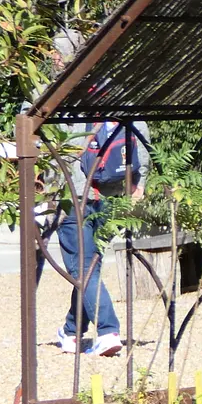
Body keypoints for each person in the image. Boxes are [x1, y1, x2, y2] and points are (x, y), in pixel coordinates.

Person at [47, 117, 150, 356]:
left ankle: (107, 331)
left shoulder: (68, 103)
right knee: (90, 267)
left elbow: (45, 145)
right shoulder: (120, 99)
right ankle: (71, 331)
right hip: (112, 197)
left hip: (75, 197)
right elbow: (142, 138)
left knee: (83, 269)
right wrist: (140, 183)